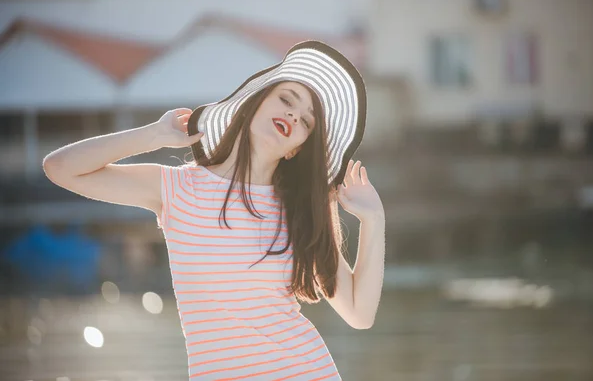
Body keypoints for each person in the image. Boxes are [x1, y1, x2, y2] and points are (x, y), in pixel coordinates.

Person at [43, 41, 386, 381]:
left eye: (306, 122)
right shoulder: (177, 188)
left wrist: (374, 220)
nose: (294, 115)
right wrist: (154, 135)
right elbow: (60, 168)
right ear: (254, 104)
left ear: (297, 149)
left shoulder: (299, 212)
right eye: (286, 100)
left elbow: (359, 313)